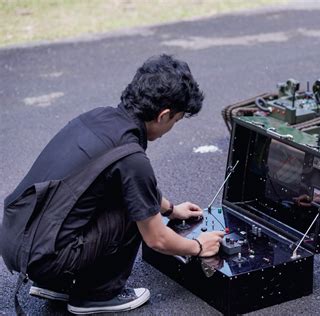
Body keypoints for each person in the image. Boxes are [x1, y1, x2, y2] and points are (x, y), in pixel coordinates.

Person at [1, 54, 225, 314]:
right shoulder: (132, 157)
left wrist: (171, 209)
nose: (171, 127)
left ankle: (63, 283)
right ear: (163, 115)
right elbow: (157, 240)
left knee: (124, 192)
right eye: (175, 121)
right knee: (134, 210)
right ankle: (96, 296)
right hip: (46, 258)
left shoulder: (99, 118)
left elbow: (130, 183)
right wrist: (199, 246)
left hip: (17, 239)